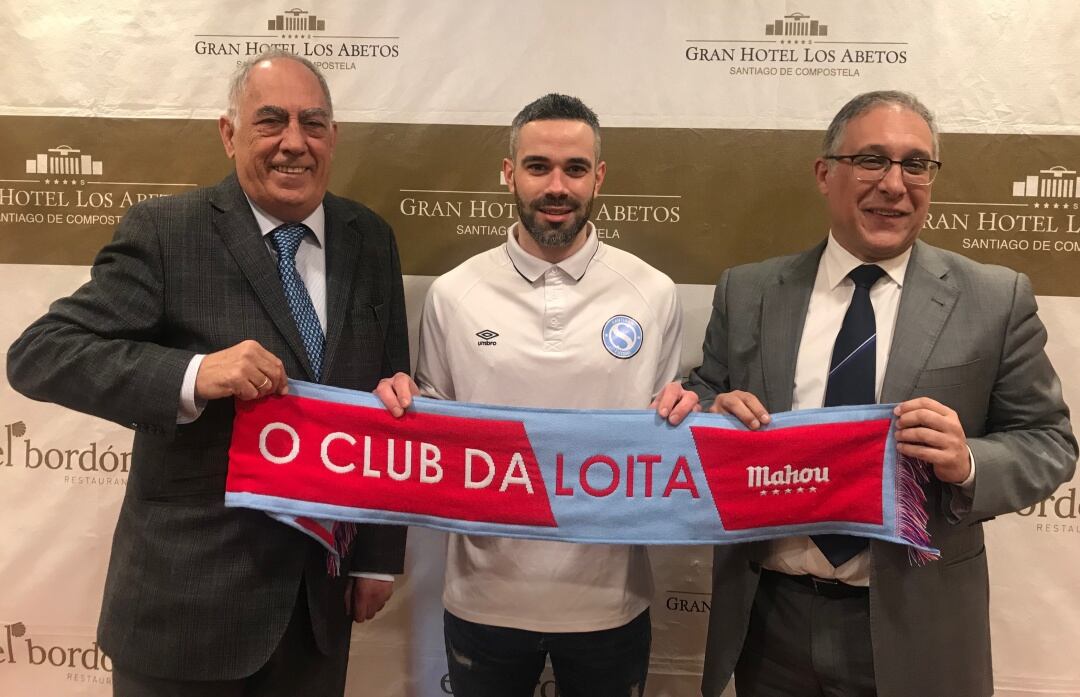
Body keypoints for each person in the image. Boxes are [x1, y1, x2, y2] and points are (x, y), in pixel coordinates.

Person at [7, 50, 409, 696]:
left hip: (317, 616)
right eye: (270, 121)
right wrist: (194, 373)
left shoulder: (371, 238)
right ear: (229, 133)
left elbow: (391, 395)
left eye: (312, 123)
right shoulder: (166, 233)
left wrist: (380, 558)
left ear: (333, 137)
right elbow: (42, 353)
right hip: (184, 616)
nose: (293, 143)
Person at [685, 90, 1077, 697]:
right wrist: (711, 416)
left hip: (919, 625)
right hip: (770, 621)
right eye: (871, 160)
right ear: (825, 173)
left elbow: (1049, 443)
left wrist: (968, 461)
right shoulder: (748, 292)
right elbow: (701, 400)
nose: (894, 184)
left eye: (915, 164)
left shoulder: (995, 299)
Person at [376, 93, 699, 697]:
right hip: (483, 601)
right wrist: (397, 410)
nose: (557, 186)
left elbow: (666, 436)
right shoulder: (453, 294)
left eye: (575, 169)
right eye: (538, 167)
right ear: (508, 173)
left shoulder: (653, 293)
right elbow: (432, 443)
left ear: (599, 178)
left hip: (611, 603)